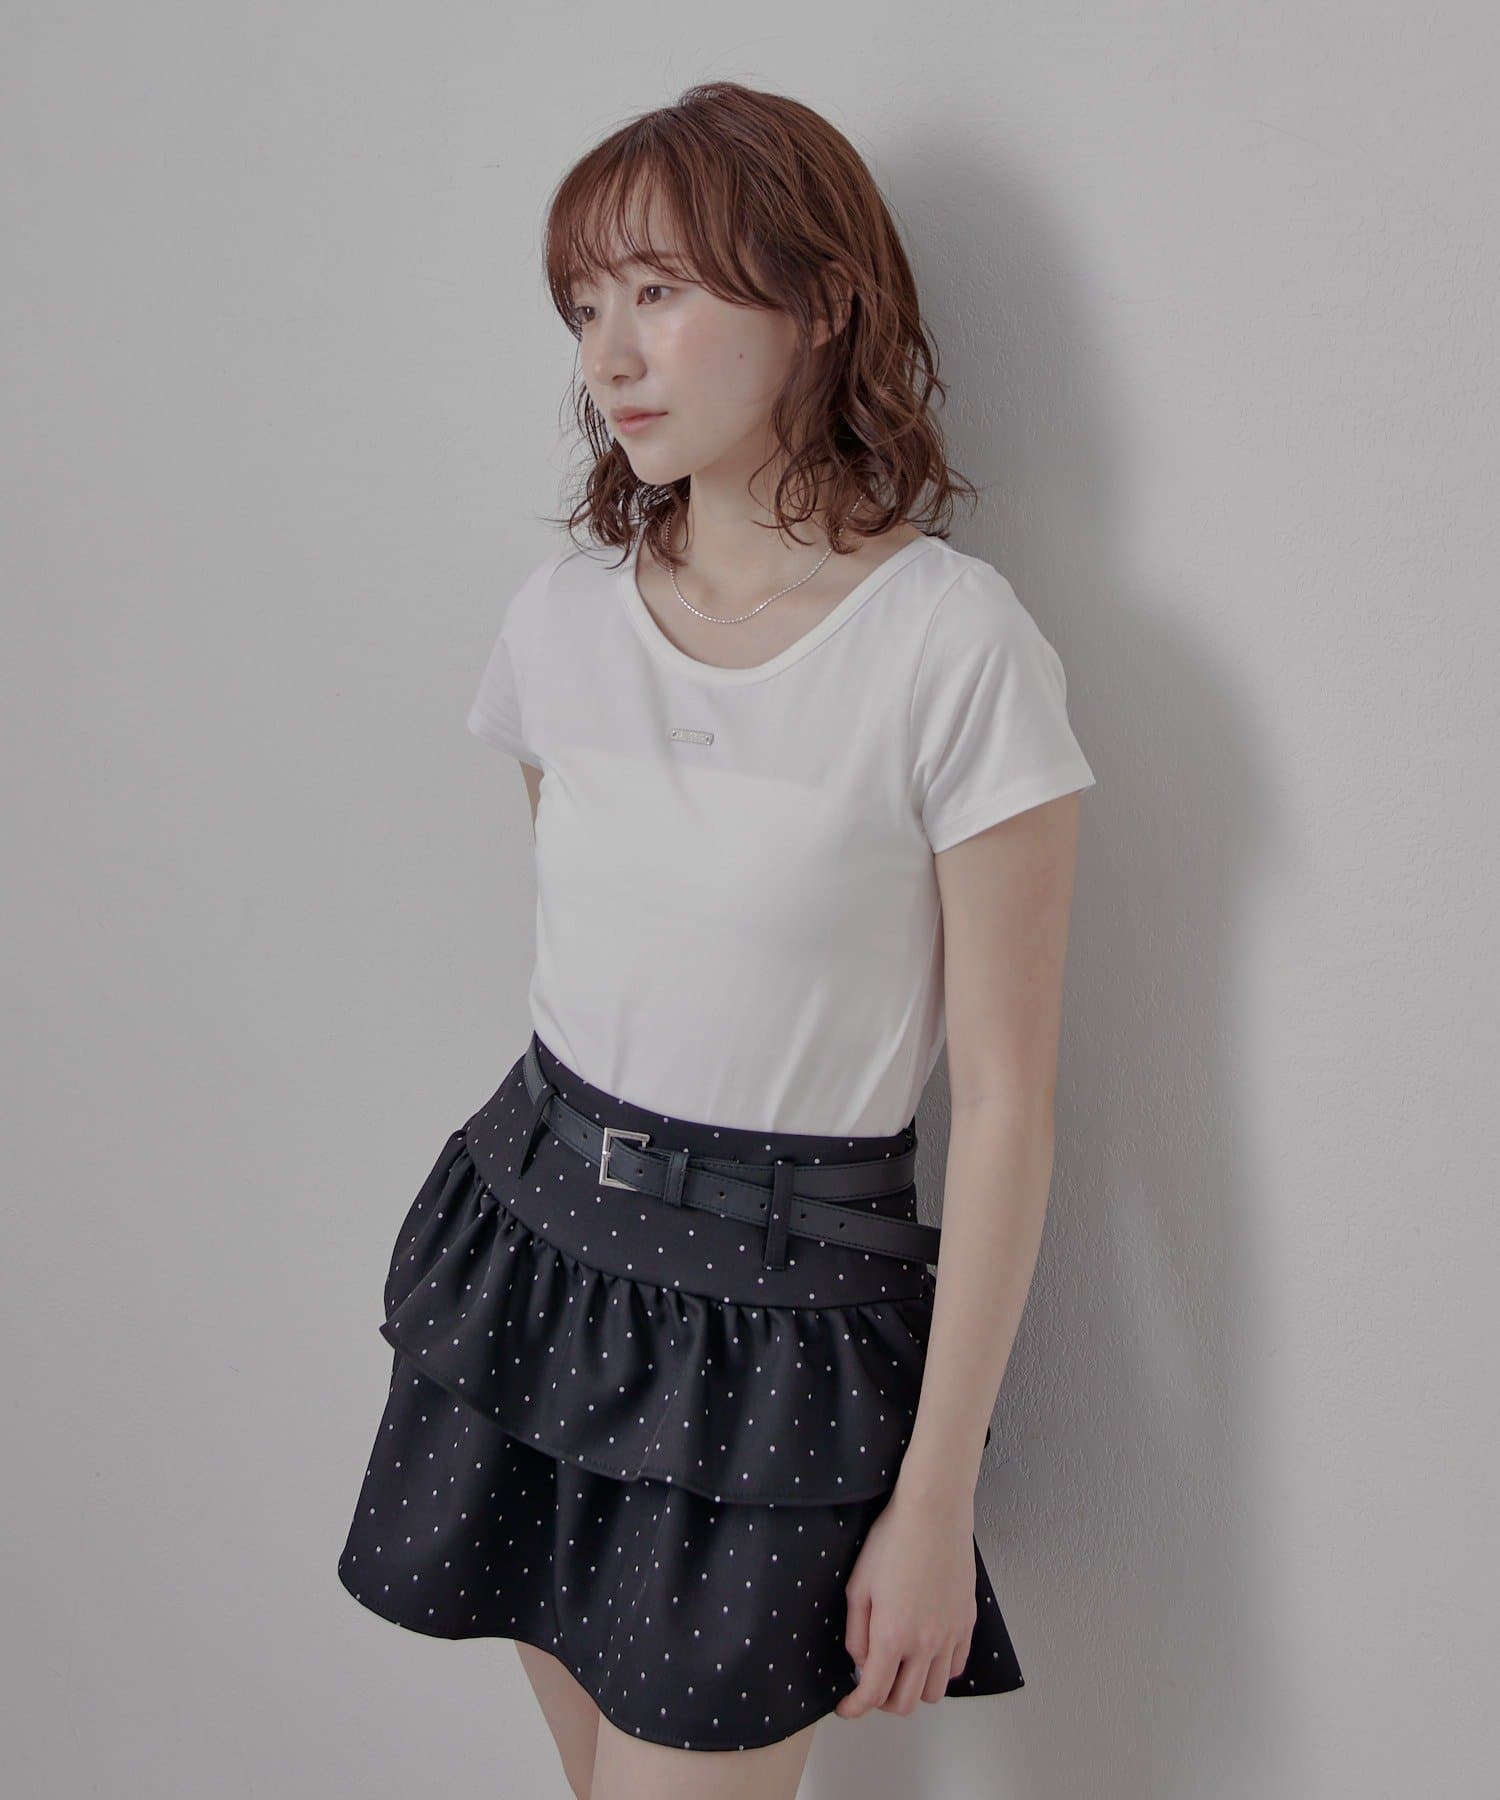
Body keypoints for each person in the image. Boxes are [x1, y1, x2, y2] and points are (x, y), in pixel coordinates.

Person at [337, 80, 1097, 1800]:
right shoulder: (562, 620)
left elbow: (1006, 1105)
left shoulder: (951, 647)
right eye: (583, 306)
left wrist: (936, 1495)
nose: (610, 355)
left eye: (659, 292)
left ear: (821, 301)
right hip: (534, 1251)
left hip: (780, 1327)